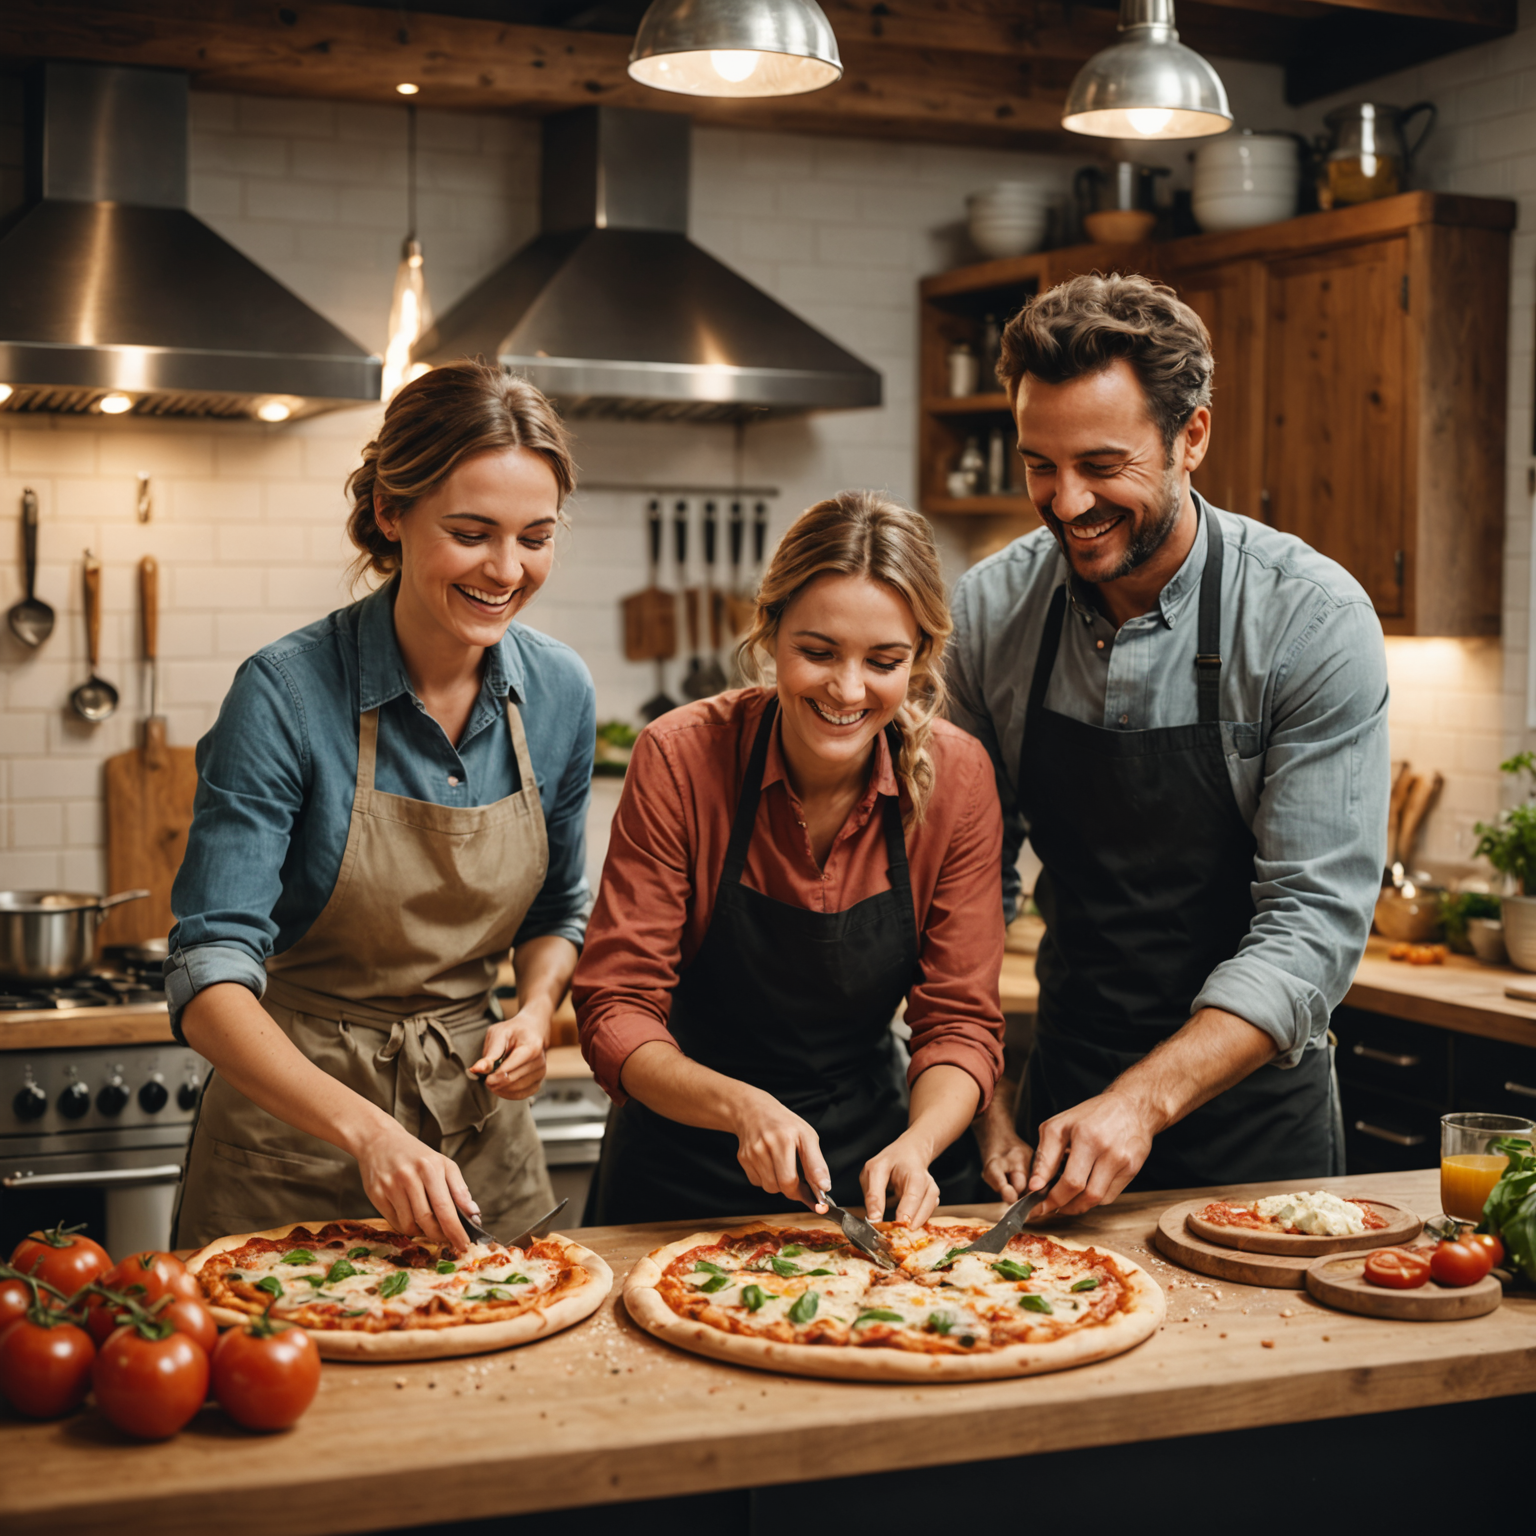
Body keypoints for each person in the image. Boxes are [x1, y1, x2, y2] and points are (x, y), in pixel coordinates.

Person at [948, 273, 1390, 1219]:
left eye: (1103, 465)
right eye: (1039, 465)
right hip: (1061, 1106)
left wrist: (1142, 1102)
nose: (1067, 502)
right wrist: (983, 1099)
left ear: (1193, 436)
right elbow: (959, 887)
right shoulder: (989, 613)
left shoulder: (1311, 620)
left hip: (1255, 1126)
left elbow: (1312, 923)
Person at [168, 361, 595, 1251]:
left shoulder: (560, 692)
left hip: (481, 1142)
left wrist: (533, 1009)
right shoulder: (284, 695)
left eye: (536, 537)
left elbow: (558, 911)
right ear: (391, 513)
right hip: (290, 1147)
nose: (506, 569)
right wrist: (369, 1132)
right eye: (471, 533)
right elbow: (208, 976)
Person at [576, 492, 1005, 1227]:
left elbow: (959, 1023)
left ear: (921, 660)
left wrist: (920, 1144)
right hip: (682, 1164)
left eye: (884, 661)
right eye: (818, 652)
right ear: (769, 634)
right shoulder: (680, 758)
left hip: (870, 1166)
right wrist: (741, 1107)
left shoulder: (959, 779)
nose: (848, 689)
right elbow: (617, 1008)